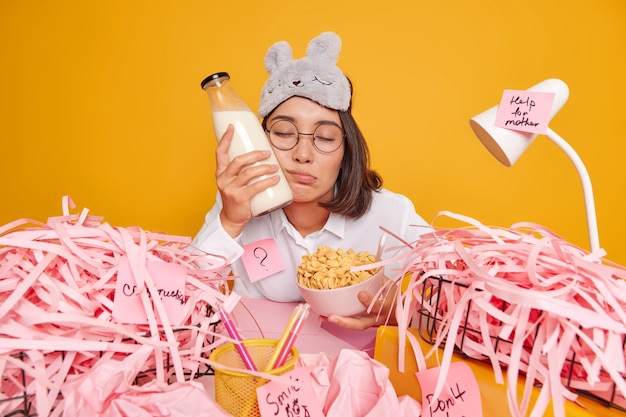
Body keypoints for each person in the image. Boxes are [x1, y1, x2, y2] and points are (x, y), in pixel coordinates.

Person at [192, 31, 431, 330]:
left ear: (347, 150)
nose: (303, 154)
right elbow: (183, 297)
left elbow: (452, 297)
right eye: (283, 133)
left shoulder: (392, 215)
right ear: (258, 140)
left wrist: (403, 314)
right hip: (263, 362)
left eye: (325, 137)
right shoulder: (238, 206)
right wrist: (228, 222)